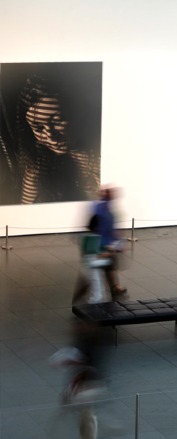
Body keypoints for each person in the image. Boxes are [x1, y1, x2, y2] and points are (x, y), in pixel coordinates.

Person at [0, 63, 102, 205]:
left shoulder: (102, 154)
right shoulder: (39, 165)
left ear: (77, 113)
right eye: (38, 128)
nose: (51, 136)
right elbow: (26, 210)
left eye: (57, 120)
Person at [93, 186, 127, 298]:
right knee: (107, 266)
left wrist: (118, 242)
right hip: (104, 243)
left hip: (108, 243)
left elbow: (112, 228)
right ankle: (115, 287)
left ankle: (115, 287)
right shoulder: (101, 208)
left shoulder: (107, 207)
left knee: (110, 266)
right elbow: (102, 227)